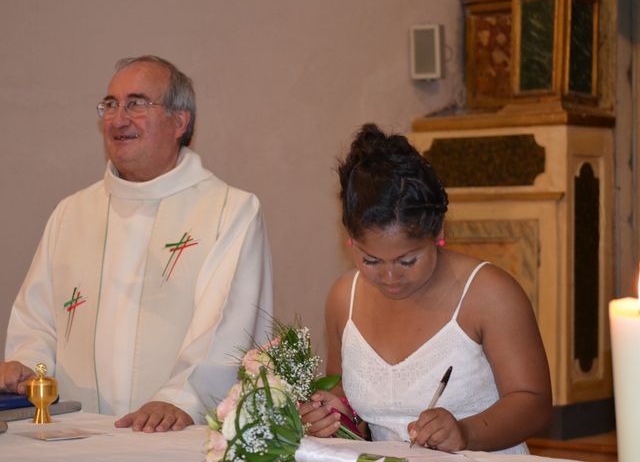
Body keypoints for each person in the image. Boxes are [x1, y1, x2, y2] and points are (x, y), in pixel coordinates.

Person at [0, 55, 273, 433]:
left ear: (180, 121)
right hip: (75, 435)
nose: (118, 118)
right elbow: (37, 318)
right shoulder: (72, 213)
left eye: (137, 103)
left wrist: (179, 398)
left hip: (174, 435)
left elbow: (228, 324)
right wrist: (29, 367)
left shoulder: (229, 210)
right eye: (110, 104)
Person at [299, 123, 551, 454]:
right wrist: (330, 418)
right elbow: (350, 409)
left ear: (438, 232)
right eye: (371, 260)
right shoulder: (343, 298)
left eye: (407, 261)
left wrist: (465, 432)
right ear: (351, 242)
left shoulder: (489, 293)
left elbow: (534, 403)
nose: (389, 276)